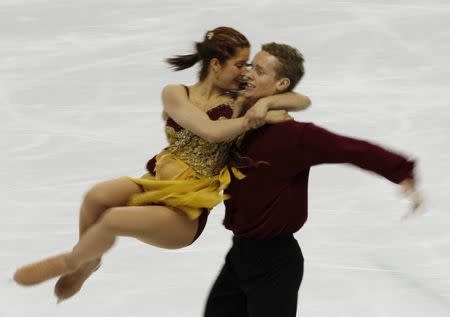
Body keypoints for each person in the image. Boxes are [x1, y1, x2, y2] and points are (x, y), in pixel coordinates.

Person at [12, 27, 311, 302]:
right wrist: (251, 119)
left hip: (185, 212)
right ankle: (89, 262)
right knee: (95, 197)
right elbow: (208, 130)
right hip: (155, 183)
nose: (245, 72)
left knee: (114, 218)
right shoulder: (175, 93)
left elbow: (301, 100)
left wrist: (265, 103)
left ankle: (72, 261)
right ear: (216, 64)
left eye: (249, 65)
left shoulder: (241, 102)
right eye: (240, 64)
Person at [196, 42, 423, 317]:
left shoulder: (295, 138)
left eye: (259, 70)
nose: (249, 74)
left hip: (275, 263)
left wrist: (401, 171)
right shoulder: (239, 118)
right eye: (250, 66)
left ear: (281, 83)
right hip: (239, 255)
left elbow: (351, 149)